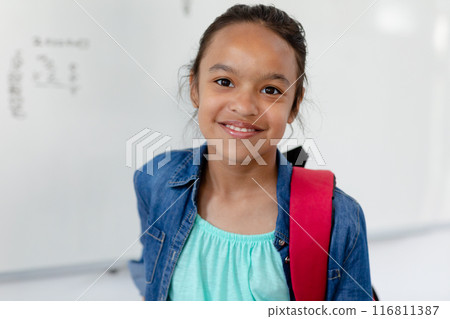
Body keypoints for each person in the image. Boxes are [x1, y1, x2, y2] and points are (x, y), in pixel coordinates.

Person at [128, 3, 372, 301]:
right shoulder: (155, 181)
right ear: (194, 88)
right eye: (224, 82)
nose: (244, 107)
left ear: (294, 104)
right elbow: (150, 275)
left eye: (270, 90)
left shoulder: (339, 219)